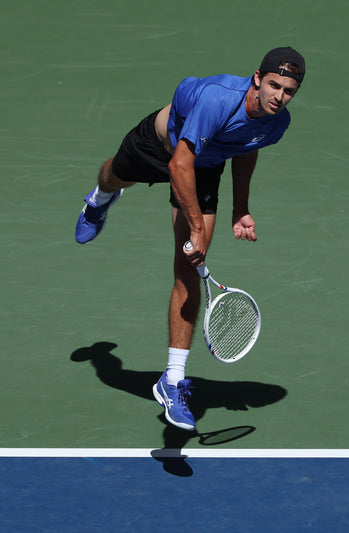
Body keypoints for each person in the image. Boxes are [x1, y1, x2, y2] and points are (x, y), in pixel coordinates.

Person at [75, 46, 306, 432]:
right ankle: (99, 199)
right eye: (273, 85)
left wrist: (240, 208)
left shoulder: (276, 123)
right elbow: (179, 164)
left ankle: (172, 379)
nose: (279, 97)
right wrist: (197, 228)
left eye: (288, 91)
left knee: (188, 267)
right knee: (114, 175)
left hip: (205, 166)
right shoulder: (218, 99)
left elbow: (246, 147)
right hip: (161, 145)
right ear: (257, 78)